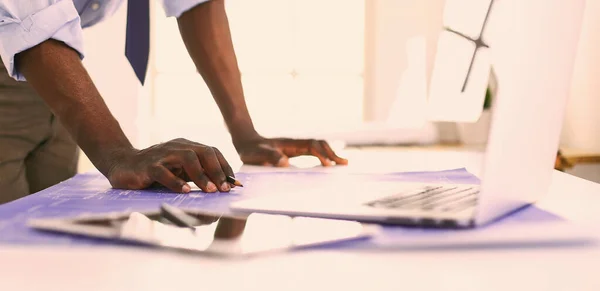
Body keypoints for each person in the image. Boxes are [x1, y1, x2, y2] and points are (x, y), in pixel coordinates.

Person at [0, 0, 347, 204]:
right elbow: (28, 17)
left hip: (52, 77)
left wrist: (246, 134)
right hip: (29, 55)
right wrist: (118, 155)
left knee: (44, 255)